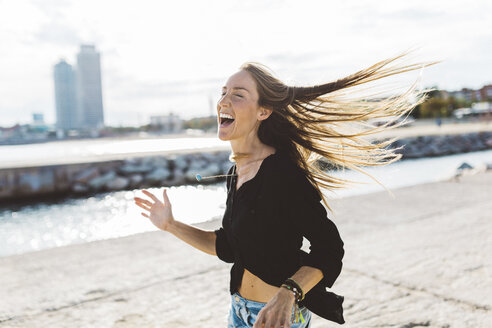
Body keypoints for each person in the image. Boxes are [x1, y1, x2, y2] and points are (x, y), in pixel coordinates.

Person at [134, 51, 437, 327]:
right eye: (223, 92)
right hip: (239, 312)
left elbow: (329, 250)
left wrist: (288, 293)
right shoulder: (236, 172)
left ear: (263, 111)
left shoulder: (282, 173)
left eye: (238, 95)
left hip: (279, 317)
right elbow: (228, 248)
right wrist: (171, 225)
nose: (224, 101)